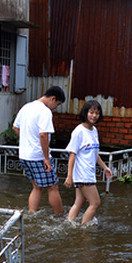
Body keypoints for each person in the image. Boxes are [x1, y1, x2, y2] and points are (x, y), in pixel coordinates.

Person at [12, 86, 65, 215]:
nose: (55, 108)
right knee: (53, 188)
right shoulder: (45, 111)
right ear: (52, 98)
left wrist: (27, 141)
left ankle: (32, 214)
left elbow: (15, 128)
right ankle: (60, 218)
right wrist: (46, 158)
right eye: (57, 104)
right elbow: (43, 135)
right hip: (38, 157)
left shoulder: (26, 107)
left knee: (36, 187)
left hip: (24, 155)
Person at [64, 100, 114, 225]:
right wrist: (69, 176)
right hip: (82, 174)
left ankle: (69, 225)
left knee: (79, 202)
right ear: (85, 113)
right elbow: (72, 154)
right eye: (91, 112)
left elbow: (94, 153)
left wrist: (104, 167)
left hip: (89, 172)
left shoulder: (94, 130)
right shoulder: (79, 131)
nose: (94, 116)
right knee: (95, 203)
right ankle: (84, 231)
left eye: (97, 113)